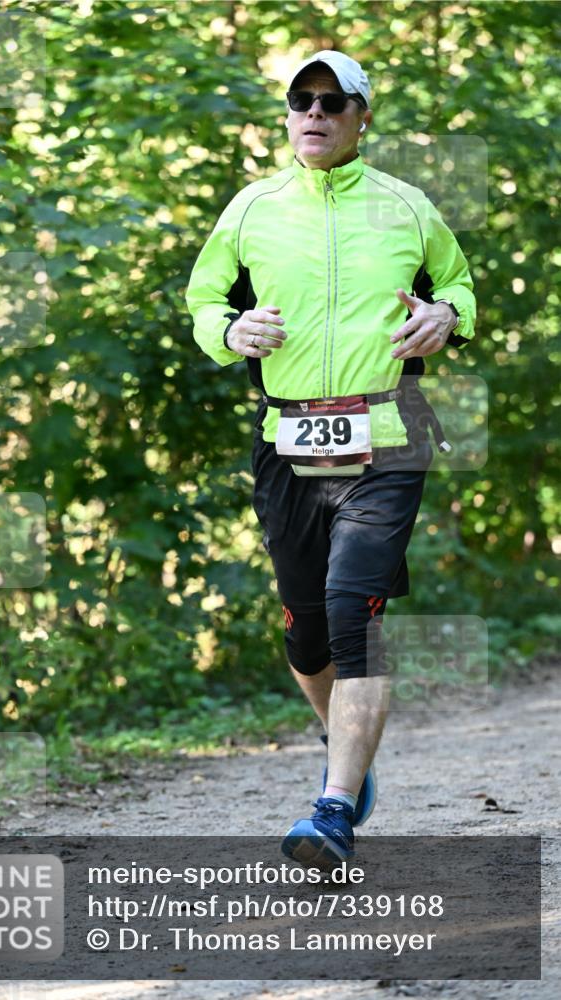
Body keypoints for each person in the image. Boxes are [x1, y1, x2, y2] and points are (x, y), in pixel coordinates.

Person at [185, 50, 475, 870]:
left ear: (360, 117)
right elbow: (204, 299)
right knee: (306, 629)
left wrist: (448, 316)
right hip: (287, 440)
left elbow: (459, 286)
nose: (313, 113)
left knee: (353, 611)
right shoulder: (252, 207)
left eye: (331, 101)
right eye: (300, 100)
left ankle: (333, 809)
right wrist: (227, 330)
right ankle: (344, 738)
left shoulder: (405, 205)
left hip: (386, 431)